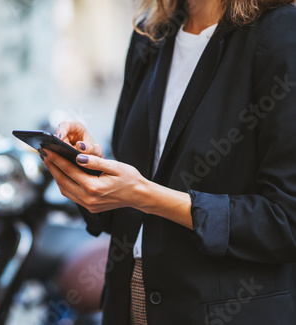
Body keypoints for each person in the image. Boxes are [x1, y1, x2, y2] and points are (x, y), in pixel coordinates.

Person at [40, 0, 296, 323]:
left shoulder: (282, 33)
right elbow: (129, 191)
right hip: (130, 300)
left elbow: (286, 221)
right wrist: (89, 168)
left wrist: (145, 195)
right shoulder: (150, 33)